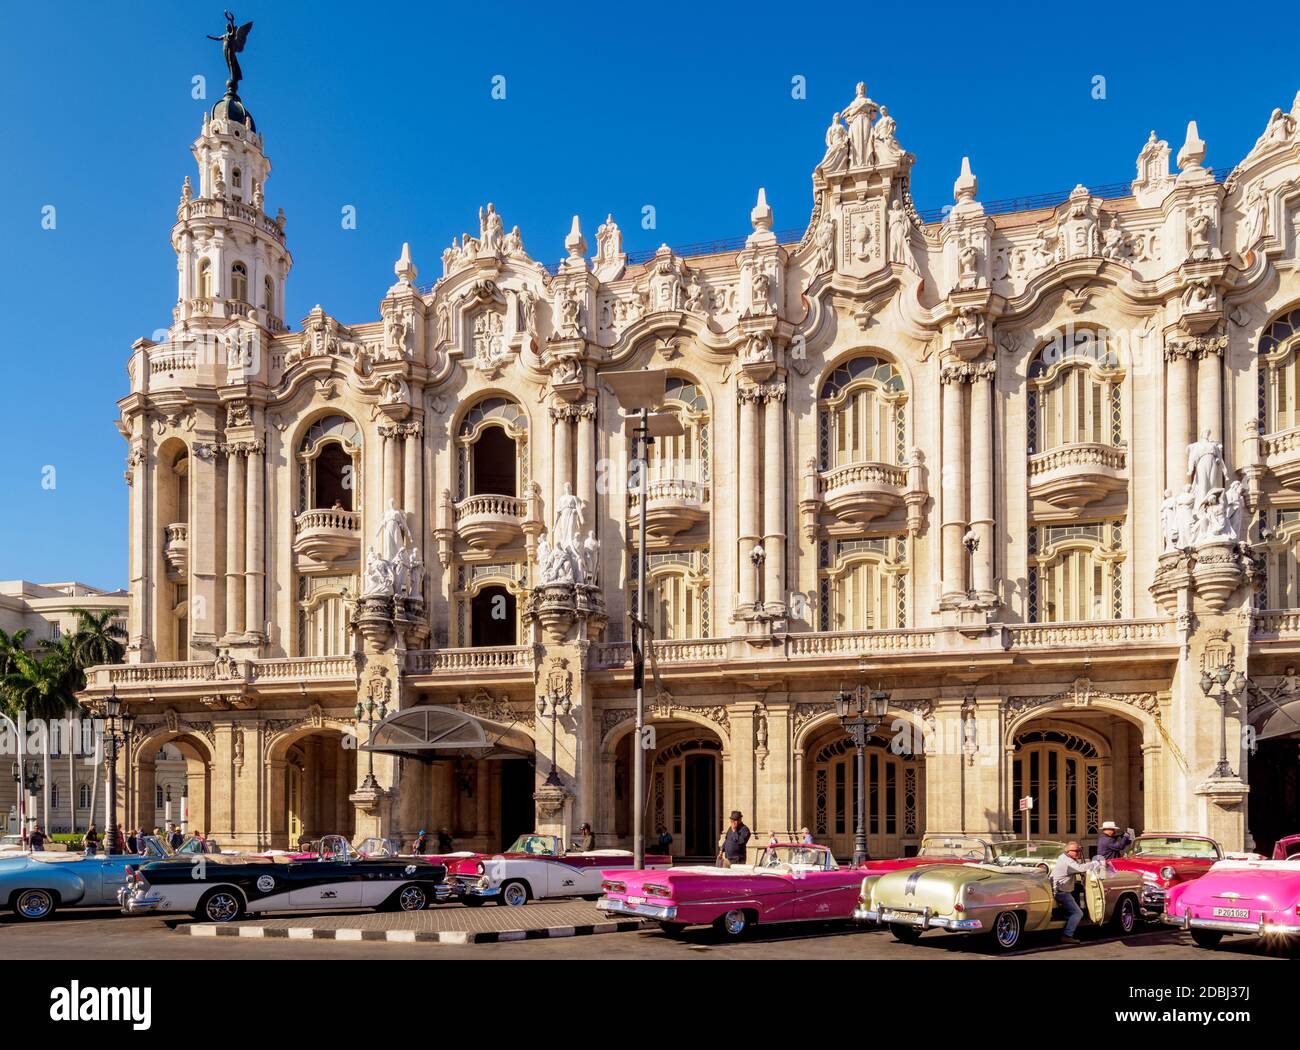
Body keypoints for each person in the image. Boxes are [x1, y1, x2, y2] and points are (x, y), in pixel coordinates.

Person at [1051, 841, 1095, 943]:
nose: (1078, 853)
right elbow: (1080, 868)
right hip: (1062, 892)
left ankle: (1068, 920)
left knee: (1078, 887)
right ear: (1068, 851)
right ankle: (1067, 935)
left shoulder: (1064, 857)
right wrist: (1094, 863)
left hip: (1060, 889)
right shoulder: (1068, 862)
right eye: (1076, 851)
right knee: (1078, 913)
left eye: (1079, 851)